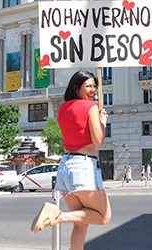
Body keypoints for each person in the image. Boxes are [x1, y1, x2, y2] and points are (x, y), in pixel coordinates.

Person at [31, 70, 111, 250]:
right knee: (104, 216)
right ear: (76, 88)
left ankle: (57, 216)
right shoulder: (91, 107)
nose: (93, 90)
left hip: (66, 166)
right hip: (83, 166)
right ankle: (57, 216)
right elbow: (98, 140)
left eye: (94, 87)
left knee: (81, 223)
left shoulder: (62, 108)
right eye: (88, 86)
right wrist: (103, 121)